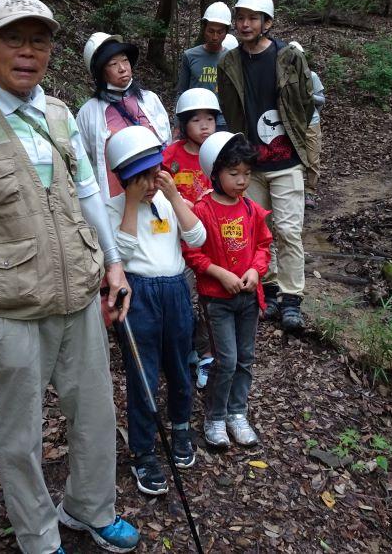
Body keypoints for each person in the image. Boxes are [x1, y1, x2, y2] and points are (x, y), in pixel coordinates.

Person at [0, 0, 139, 554]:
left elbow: (90, 194)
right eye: (13, 39)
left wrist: (114, 262)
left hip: (80, 299)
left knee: (94, 412)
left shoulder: (61, 115)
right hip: (10, 306)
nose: (27, 51)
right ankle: (39, 536)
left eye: (38, 40)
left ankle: (90, 509)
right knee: (21, 434)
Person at [104, 125, 206, 496]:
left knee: (181, 366)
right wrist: (130, 204)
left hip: (176, 290)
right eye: (139, 179)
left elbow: (198, 238)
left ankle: (180, 427)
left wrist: (175, 198)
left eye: (153, 174)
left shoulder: (166, 201)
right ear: (123, 180)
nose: (149, 185)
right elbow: (121, 256)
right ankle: (143, 451)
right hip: (138, 295)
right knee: (143, 375)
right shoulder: (111, 208)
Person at [216, 0, 314, 334]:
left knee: (288, 230)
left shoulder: (288, 57)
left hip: (286, 161)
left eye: (252, 18)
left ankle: (292, 299)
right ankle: (268, 290)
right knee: (259, 232)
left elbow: (305, 103)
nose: (244, 24)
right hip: (250, 165)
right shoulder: (229, 62)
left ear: (266, 23)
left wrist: (302, 146)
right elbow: (228, 109)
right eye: (240, 18)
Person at [182, 132, 272, 449]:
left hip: (247, 297)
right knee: (227, 360)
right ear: (215, 171)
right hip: (217, 299)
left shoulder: (250, 209)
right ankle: (215, 416)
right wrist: (220, 274)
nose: (242, 180)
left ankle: (237, 412)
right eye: (234, 173)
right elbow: (192, 252)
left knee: (245, 357)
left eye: (246, 173)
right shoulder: (203, 209)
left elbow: (263, 245)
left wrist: (253, 270)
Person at [162, 88, 220, 388]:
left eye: (210, 118)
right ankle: (185, 352)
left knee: (210, 300)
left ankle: (208, 355)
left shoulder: (221, 152)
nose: (204, 125)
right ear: (183, 124)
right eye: (196, 120)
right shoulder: (170, 155)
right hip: (176, 242)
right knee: (184, 300)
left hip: (211, 242)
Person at [77, 32, 171, 197]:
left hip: (158, 195)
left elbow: (167, 144)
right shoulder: (88, 113)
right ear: (100, 72)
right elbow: (83, 162)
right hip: (116, 202)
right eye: (113, 64)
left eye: (125, 60)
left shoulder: (150, 100)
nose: (122, 68)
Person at [175, 2, 236, 131]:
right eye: (211, 31)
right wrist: (177, 125)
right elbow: (182, 92)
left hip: (222, 121)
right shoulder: (190, 56)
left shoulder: (232, 58)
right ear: (204, 29)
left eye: (220, 32)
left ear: (226, 32)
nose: (215, 37)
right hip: (194, 119)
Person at [288, 41, 326, 210]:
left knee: (312, 158)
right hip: (291, 123)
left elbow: (322, 99)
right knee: (293, 159)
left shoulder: (312, 76)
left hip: (311, 122)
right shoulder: (283, 78)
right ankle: (293, 192)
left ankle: (310, 191)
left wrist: (307, 96)